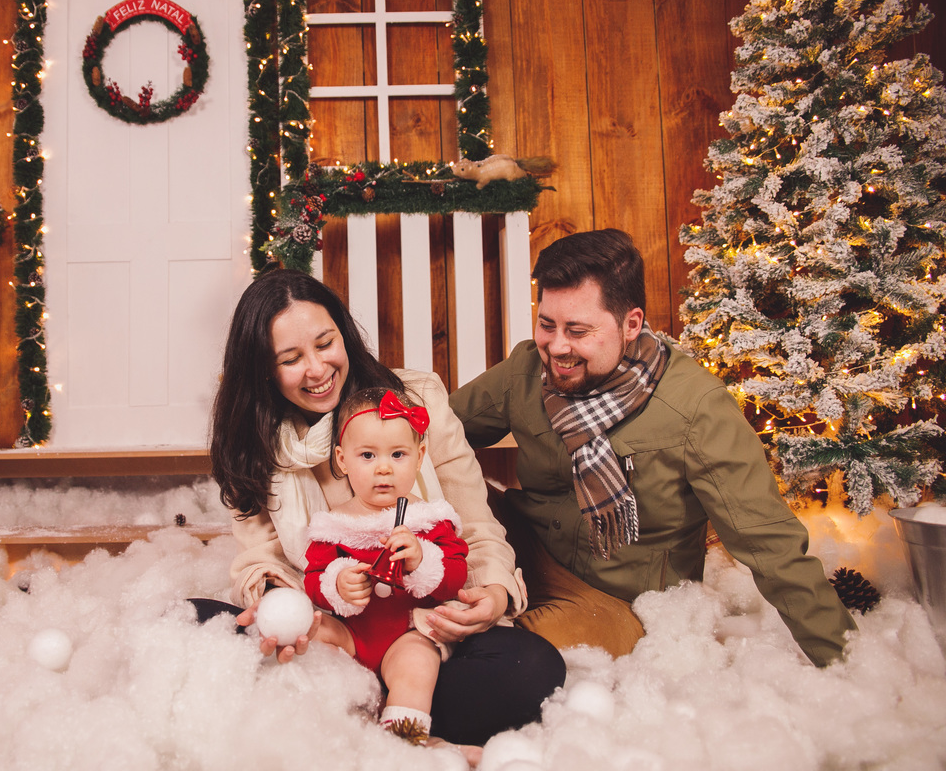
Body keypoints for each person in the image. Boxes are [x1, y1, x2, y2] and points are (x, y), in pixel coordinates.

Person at [449, 228, 857, 667]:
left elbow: (771, 544)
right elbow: (429, 434)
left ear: (631, 324)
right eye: (547, 324)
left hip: (612, 601)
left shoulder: (697, 409)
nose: (557, 346)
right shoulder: (527, 369)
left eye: (579, 330)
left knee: (493, 656)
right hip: (519, 546)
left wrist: (851, 665)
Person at [202, 268, 566, 746]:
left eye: (325, 343)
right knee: (194, 625)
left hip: (421, 627)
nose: (316, 369)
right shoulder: (254, 440)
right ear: (264, 370)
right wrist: (279, 605)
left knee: (532, 668)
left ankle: (366, 724)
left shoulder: (417, 399)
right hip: (326, 629)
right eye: (291, 358)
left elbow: (475, 526)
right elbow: (263, 558)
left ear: (345, 336)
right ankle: (375, 719)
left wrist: (495, 593)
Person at [305, 387, 468, 743]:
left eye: (398, 454)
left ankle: (402, 741)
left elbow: (455, 576)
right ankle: (334, 731)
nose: (383, 468)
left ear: (420, 456)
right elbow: (314, 579)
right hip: (352, 633)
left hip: (405, 632)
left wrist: (422, 559)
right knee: (308, 633)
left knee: (417, 665)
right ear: (342, 459)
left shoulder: (430, 520)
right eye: (367, 455)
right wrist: (336, 584)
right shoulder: (333, 525)